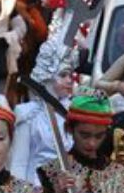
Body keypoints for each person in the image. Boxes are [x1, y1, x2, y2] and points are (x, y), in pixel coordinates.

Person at [9, 38, 75, 183]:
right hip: (37, 190)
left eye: (71, 75)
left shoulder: (74, 111)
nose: (70, 80)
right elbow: (19, 162)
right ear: (48, 77)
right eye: (63, 75)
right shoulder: (29, 114)